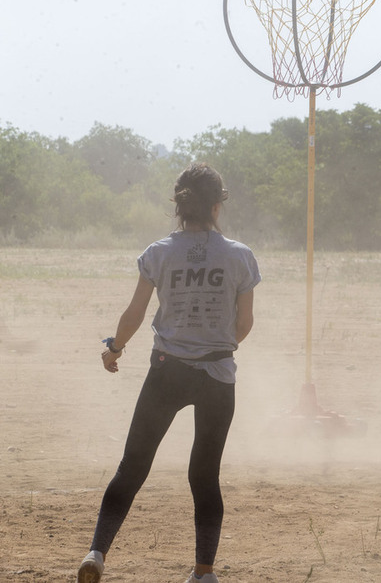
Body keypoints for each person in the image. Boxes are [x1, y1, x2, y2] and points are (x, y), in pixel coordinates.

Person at [77, 163, 261, 583]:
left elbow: (134, 314)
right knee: (204, 474)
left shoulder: (158, 252)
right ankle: (203, 572)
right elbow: (245, 325)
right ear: (217, 207)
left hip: (166, 371)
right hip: (217, 375)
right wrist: (214, 346)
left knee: (133, 467)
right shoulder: (239, 255)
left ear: (180, 206)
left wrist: (115, 349)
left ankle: (96, 553)